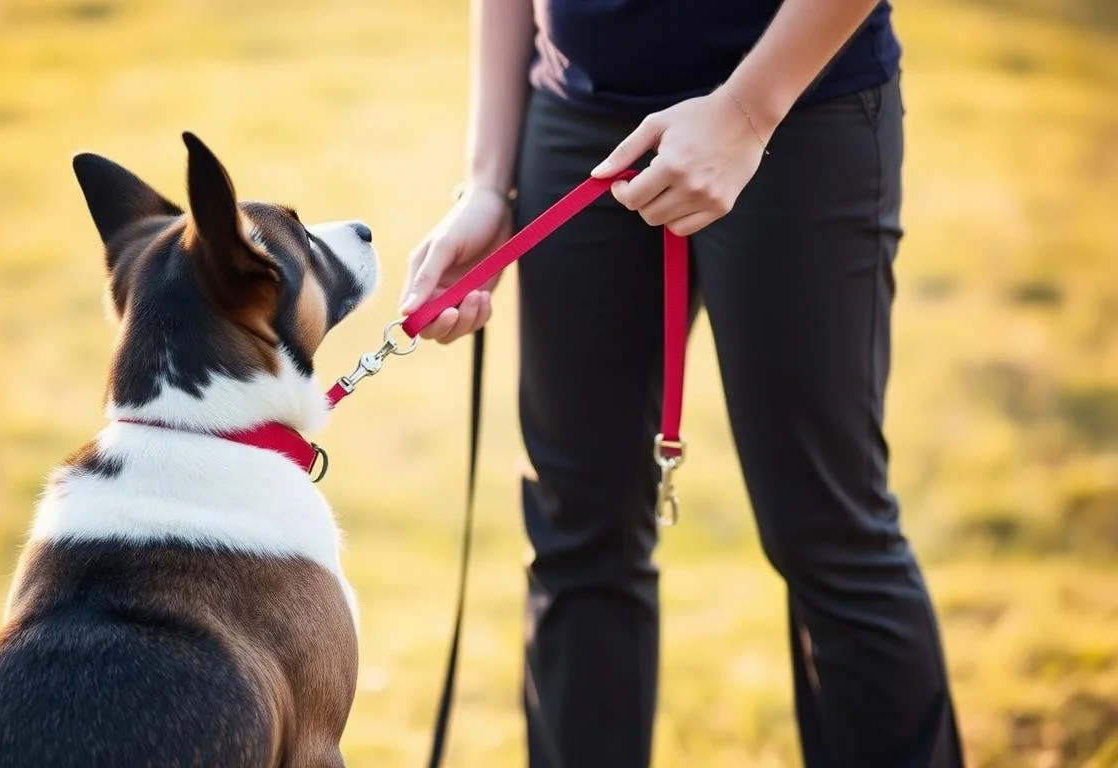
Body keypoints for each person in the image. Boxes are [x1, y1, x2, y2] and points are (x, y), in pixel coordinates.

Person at [398, 1, 965, 766]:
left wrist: (745, 111)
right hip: (577, 120)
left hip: (798, 112)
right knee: (578, 532)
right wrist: (486, 184)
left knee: (830, 535)